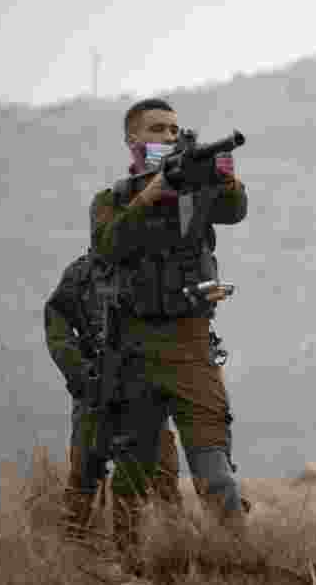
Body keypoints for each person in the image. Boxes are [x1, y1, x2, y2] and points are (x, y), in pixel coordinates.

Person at [88, 98, 249, 557]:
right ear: (132, 140)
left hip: (191, 347)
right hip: (135, 353)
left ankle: (241, 558)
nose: (168, 137)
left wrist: (222, 175)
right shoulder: (114, 199)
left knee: (214, 469)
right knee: (133, 478)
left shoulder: (196, 191)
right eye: (157, 129)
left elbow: (235, 210)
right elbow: (107, 246)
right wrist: (149, 195)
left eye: (174, 130)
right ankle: (128, 564)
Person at [45, 250, 182, 538]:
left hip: (143, 386)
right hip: (95, 386)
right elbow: (56, 320)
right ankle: (74, 550)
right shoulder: (80, 274)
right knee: (83, 471)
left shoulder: (155, 265)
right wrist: (79, 371)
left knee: (163, 473)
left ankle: (169, 548)